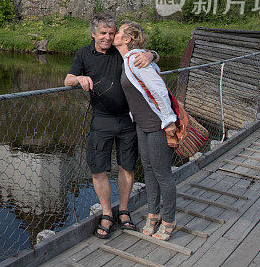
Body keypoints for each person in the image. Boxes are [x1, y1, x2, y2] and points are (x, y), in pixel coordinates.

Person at [64, 13, 158, 238]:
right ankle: (107, 214)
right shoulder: (84, 54)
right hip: (102, 119)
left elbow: (147, 53)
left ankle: (124, 211)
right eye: (103, 33)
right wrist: (78, 79)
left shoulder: (121, 50)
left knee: (127, 166)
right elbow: (67, 79)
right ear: (93, 33)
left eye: (111, 33)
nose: (108, 37)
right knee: (98, 169)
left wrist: (151, 54)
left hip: (127, 119)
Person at [115, 20, 178, 241]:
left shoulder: (135, 58)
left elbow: (159, 88)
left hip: (155, 124)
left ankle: (169, 220)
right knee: (149, 171)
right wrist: (153, 54)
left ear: (127, 39)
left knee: (162, 173)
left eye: (119, 32)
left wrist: (169, 121)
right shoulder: (128, 59)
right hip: (142, 124)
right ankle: (153, 214)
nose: (115, 33)